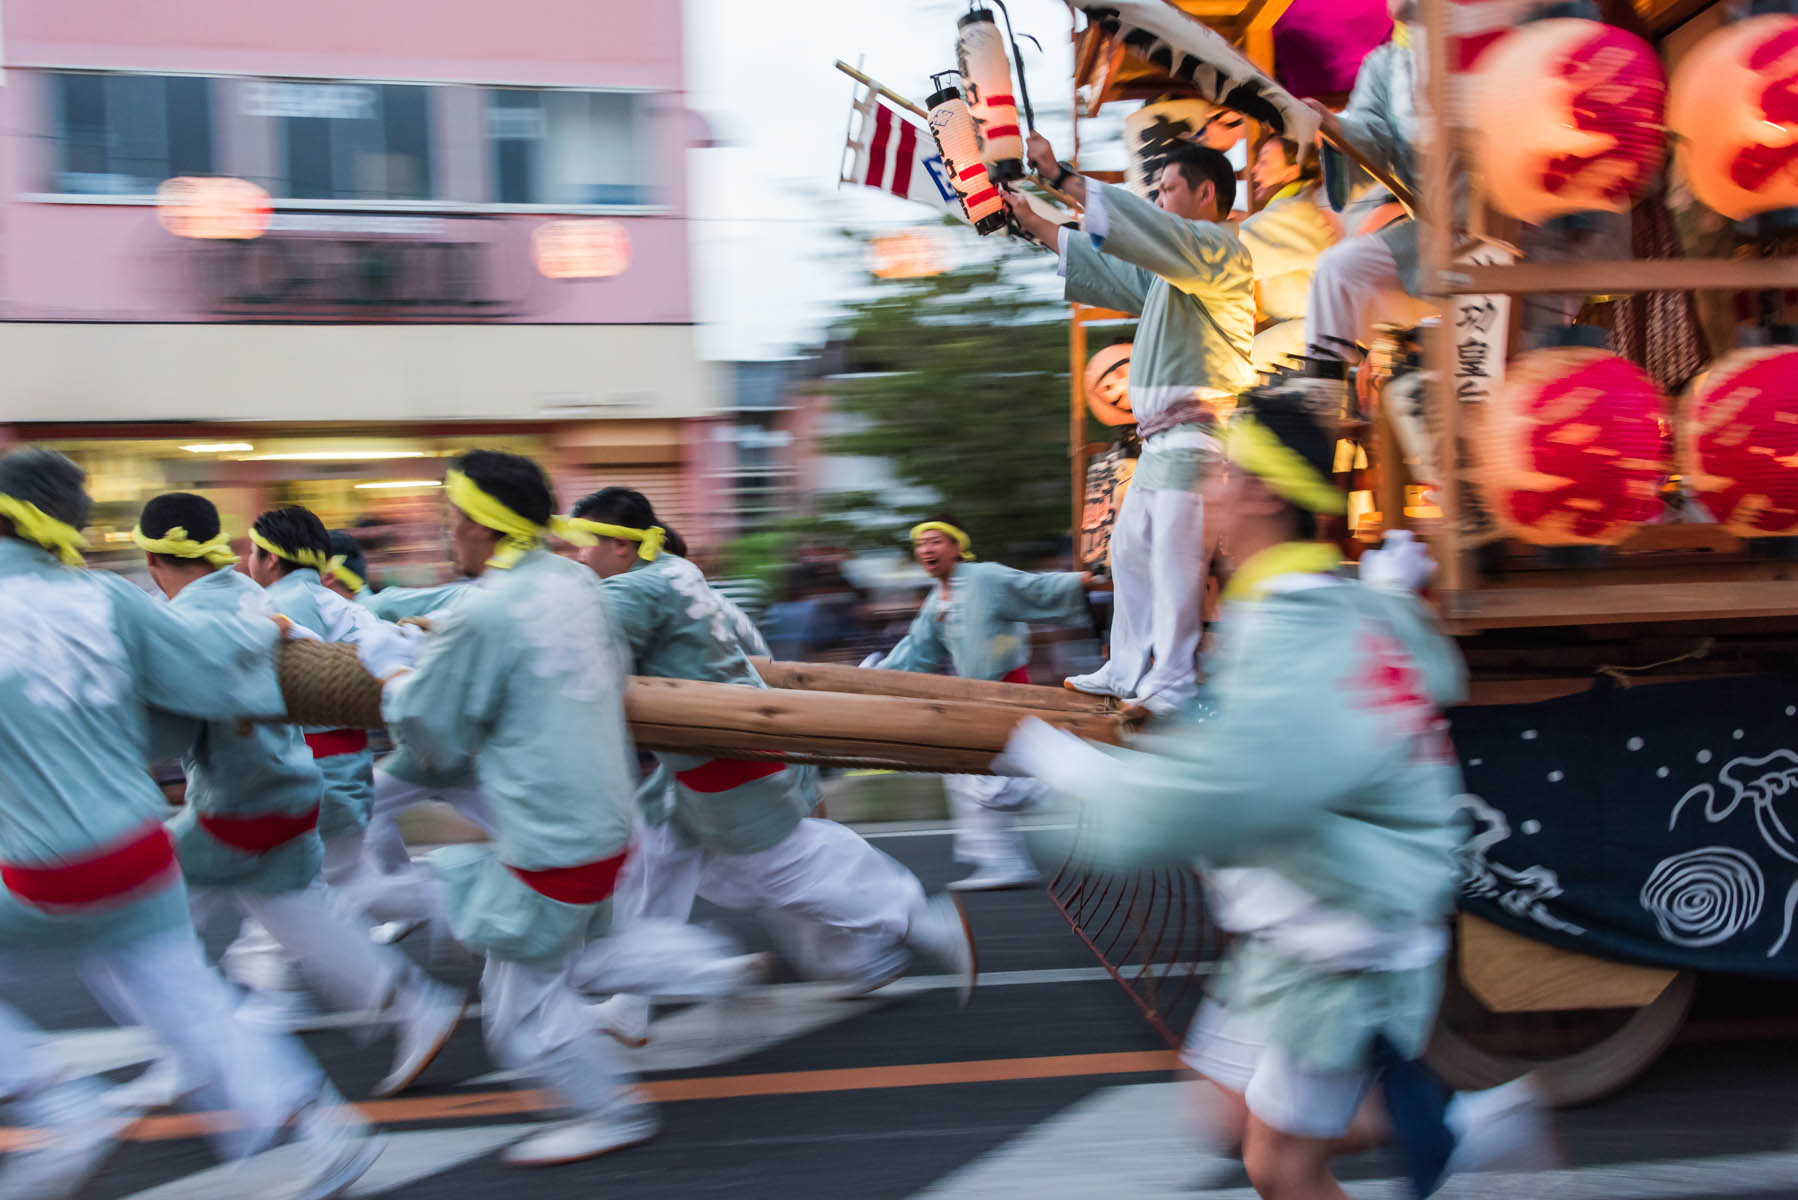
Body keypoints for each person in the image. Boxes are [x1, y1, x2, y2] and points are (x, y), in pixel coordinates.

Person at [1000, 389, 1547, 1199]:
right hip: (1307, 912)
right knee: (1225, 1114)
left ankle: (1454, 1129)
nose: (1210, 491)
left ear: (1261, 491)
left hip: (1337, 932)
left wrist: (1073, 777)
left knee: (1280, 1167)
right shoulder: (1328, 607)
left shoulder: (1297, 629)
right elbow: (1404, 674)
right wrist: (1392, 594)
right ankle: (1452, 1127)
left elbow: (1226, 790)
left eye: (1222, 472)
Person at [0, 448, 380, 1200]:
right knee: (194, 1006)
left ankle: (53, 1100)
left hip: (45, 868)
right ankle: (325, 1133)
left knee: (178, 997)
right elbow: (200, 681)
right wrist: (267, 632)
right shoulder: (108, 600)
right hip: (138, 855)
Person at [379, 452, 763, 1166]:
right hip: (608, 810)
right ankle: (708, 968)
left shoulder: (486, 612)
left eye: (450, 518)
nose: (445, 531)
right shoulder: (574, 582)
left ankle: (612, 1112)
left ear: (478, 526)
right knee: (587, 948)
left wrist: (394, 677)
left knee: (518, 1012)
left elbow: (431, 730)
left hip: (548, 830)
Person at [565, 487, 975, 1049]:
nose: (577, 558)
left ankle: (919, 921)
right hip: (698, 763)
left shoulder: (641, 591)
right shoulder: (675, 579)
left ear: (620, 548)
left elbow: (571, 641)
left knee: (787, 871)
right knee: (655, 860)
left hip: (738, 754)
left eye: (583, 546)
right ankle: (632, 1005)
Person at [124, 492, 464, 1104]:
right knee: (303, 917)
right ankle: (414, 1004)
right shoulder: (253, 600)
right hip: (293, 789)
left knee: (143, 926)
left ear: (152, 557)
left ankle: (199, 1054)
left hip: (238, 803)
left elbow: (171, 729)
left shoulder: (200, 617)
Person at [1006, 131, 1255, 715]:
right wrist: (1034, 219)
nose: (1161, 200)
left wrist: (1064, 179)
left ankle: (1171, 681)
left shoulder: (1223, 251)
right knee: (1132, 552)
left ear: (1206, 193)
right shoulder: (1180, 267)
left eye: (1169, 189)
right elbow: (1114, 268)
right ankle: (1125, 668)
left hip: (1196, 436)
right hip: (1164, 440)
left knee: (1174, 559)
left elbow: (1152, 233)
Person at [874, 515, 1107, 891]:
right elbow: (916, 650)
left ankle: (1092, 783)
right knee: (960, 771)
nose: (927, 550)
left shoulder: (986, 577)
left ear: (956, 546)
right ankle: (1001, 860)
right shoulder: (939, 598)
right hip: (976, 697)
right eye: (921, 544)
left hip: (1005, 691)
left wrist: (1085, 579)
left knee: (991, 785)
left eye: (936, 541)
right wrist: (875, 677)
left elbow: (1033, 587)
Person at [1301, 0, 1441, 373]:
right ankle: (1320, 396)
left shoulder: (1492, 21)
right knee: (1337, 268)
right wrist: (1334, 127)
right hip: (1437, 228)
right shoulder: (1384, 66)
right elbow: (1373, 141)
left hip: (1524, 213)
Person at [1239, 137, 1343, 375]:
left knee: (1234, 373)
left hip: (1322, 333)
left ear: (1291, 171)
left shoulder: (1297, 211)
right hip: (1318, 330)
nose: (1254, 169)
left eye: (1264, 161)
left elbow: (1231, 256)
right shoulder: (1299, 206)